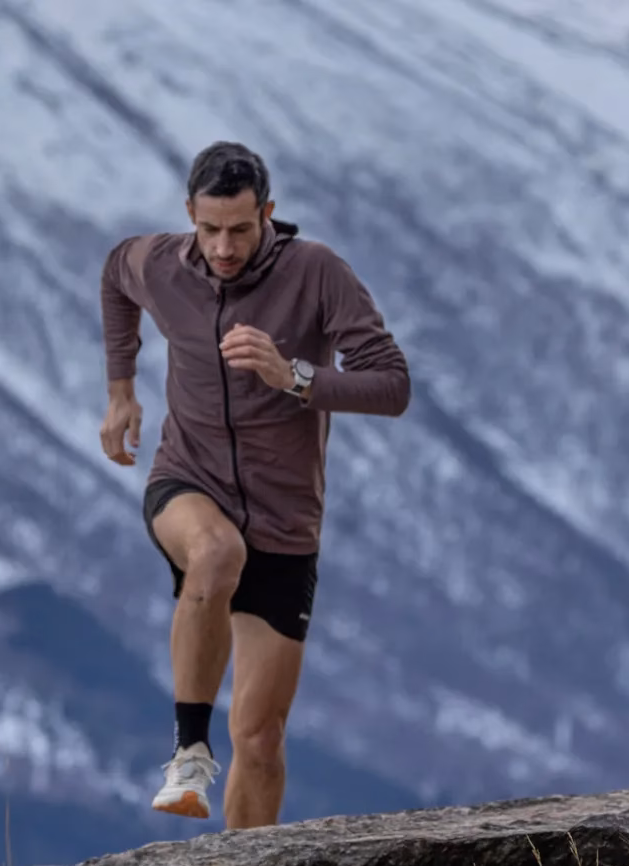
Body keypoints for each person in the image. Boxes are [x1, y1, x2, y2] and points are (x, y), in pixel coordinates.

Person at [97, 140, 411, 830]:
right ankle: (187, 752)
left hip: (284, 518)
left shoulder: (317, 273)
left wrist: (293, 377)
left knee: (262, 740)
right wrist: (121, 391)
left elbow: (393, 385)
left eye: (240, 229)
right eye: (209, 229)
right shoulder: (161, 263)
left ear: (268, 213)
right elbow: (115, 277)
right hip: (189, 480)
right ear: (189, 215)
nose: (224, 247)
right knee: (215, 554)